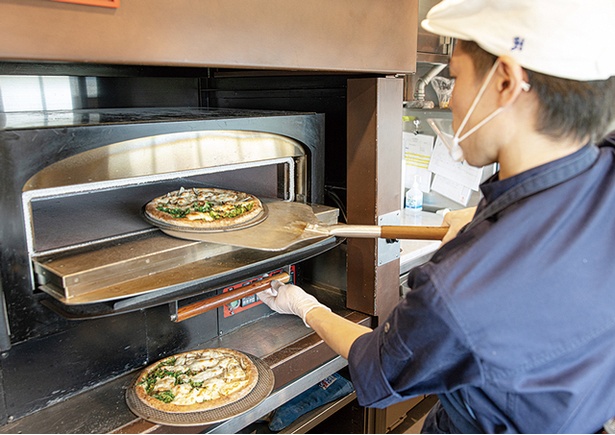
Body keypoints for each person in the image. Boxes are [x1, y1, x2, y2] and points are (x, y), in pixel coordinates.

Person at [258, 0, 615, 432]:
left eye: (456, 77)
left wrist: (303, 306)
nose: (453, 100)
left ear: (505, 81)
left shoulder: (459, 290)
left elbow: (379, 366)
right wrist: (487, 216)